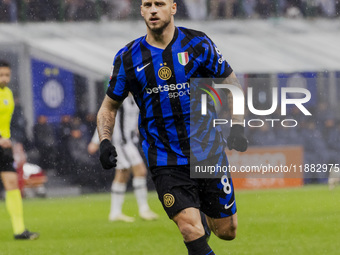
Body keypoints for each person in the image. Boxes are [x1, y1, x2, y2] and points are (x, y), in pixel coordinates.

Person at [96, 1, 248, 254]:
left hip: (207, 152)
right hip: (165, 159)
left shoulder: (197, 44)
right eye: (147, 5)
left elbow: (231, 83)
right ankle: (195, 223)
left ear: (173, 8)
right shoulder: (127, 57)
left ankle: (202, 218)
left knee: (227, 231)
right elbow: (108, 107)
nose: (153, 10)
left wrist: (238, 126)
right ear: (141, 11)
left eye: (160, 4)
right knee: (190, 229)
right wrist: (104, 140)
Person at [88, 94, 158, 222]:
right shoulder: (119, 98)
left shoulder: (135, 98)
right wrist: (96, 140)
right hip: (121, 143)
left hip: (129, 142)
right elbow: (105, 117)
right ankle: (143, 209)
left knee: (122, 174)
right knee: (140, 171)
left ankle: (115, 212)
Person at [0, 60, 39, 240]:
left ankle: (19, 230)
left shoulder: (8, 93)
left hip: (4, 147)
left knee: (12, 184)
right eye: (1, 75)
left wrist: (11, 140)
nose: (4, 78)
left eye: (7, 75)